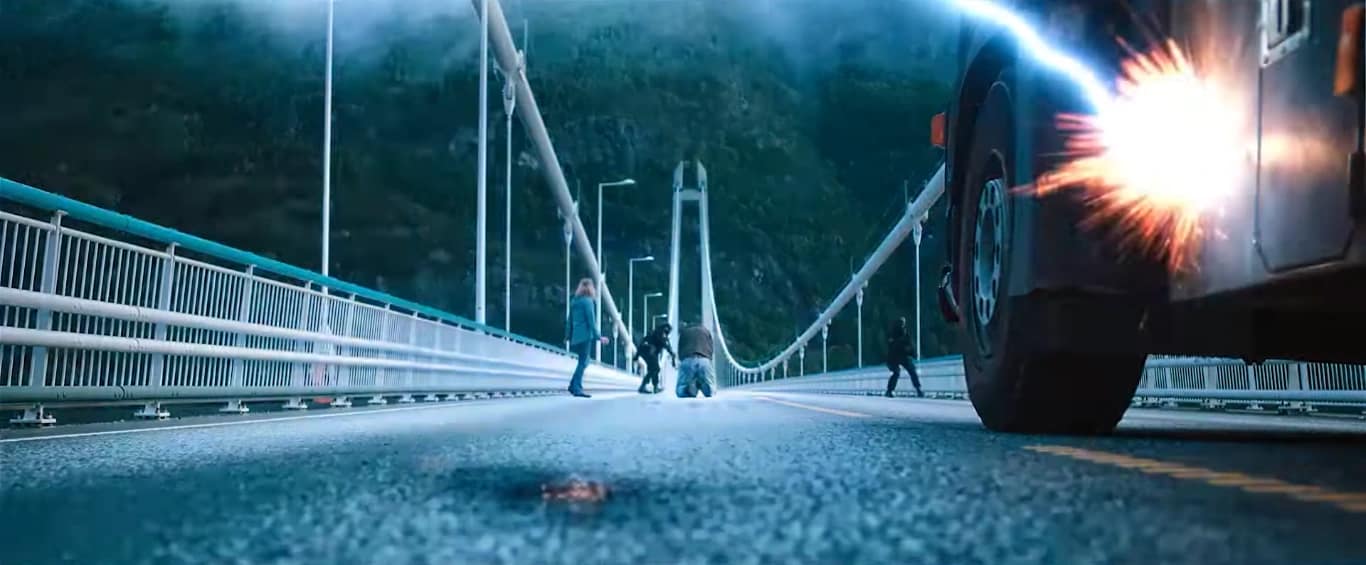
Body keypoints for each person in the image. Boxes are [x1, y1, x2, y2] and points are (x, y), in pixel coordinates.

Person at [565, 278, 609, 398]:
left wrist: (567, 336)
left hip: (575, 337)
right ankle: (576, 387)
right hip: (585, 337)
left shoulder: (574, 301)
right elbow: (591, 322)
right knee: (583, 362)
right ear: (591, 289)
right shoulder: (588, 302)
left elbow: (569, 320)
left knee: (582, 361)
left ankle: (573, 385)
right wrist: (599, 337)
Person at [633, 323, 676, 394]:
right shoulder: (661, 333)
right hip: (650, 352)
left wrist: (637, 356)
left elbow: (642, 342)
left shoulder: (653, 332)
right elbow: (664, 344)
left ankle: (654, 387)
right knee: (655, 368)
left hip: (644, 351)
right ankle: (645, 386)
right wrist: (671, 353)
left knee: (653, 369)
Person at [885, 317, 923, 398]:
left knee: (899, 372)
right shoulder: (901, 335)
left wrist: (913, 353)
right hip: (898, 356)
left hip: (897, 356)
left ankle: (889, 391)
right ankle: (918, 389)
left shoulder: (896, 335)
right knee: (909, 371)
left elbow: (909, 345)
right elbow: (910, 346)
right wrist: (914, 354)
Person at [676, 322, 715, 398]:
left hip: (688, 359)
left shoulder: (684, 332)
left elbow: (680, 349)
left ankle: (687, 388)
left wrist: (681, 362)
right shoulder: (706, 331)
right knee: (711, 390)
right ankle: (703, 385)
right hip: (704, 359)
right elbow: (711, 348)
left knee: (680, 390)